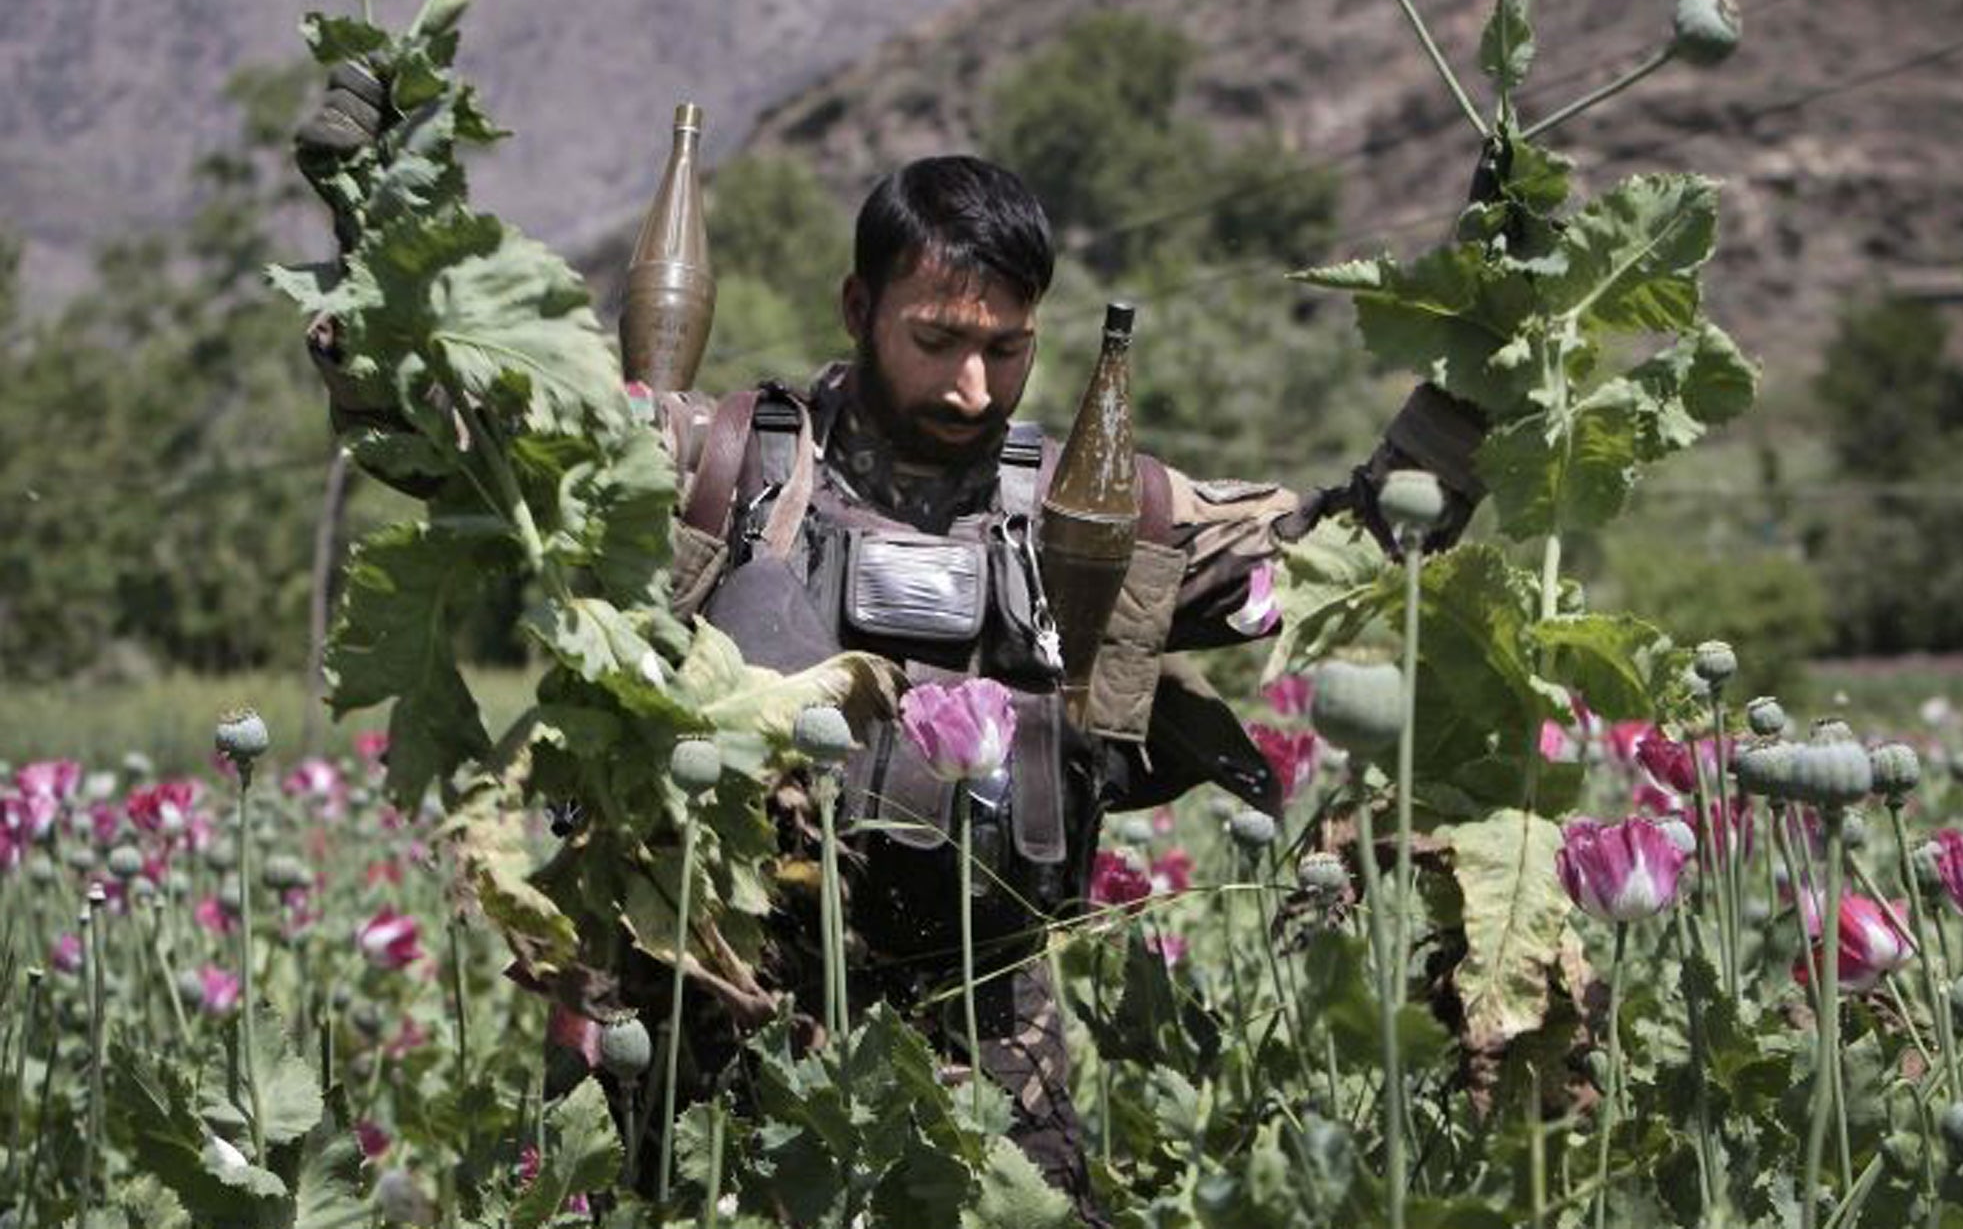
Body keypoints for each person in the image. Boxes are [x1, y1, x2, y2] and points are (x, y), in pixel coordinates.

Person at [298, 85, 1485, 1213]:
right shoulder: (709, 469)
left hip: (984, 1031)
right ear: (857, 310)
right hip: (699, 1010)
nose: (972, 387)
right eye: (936, 339)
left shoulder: (1097, 510)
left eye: (1007, 350)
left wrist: (1479, 343)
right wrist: (369, 221)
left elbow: (1357, 544)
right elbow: (438, 432)